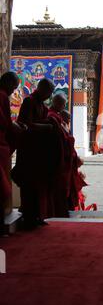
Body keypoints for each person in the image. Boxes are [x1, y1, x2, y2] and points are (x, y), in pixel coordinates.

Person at [12, 78, 58, 229]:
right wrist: (46, 127)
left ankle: (37, 215)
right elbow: (26, 124)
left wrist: (51, 123)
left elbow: (42, 120)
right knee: (28, 185)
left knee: (38, 185)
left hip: (38, 152)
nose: (49, 96)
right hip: (28, 150)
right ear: (42, 89)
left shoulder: (41, 105)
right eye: (49, 92)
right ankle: (28, 217)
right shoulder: (29, 102)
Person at [0, 72, 22, 237]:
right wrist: (20, 129)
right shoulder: (1, 97)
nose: (12, 91)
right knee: (3, 187)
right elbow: (6, 123)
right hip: (1, 148)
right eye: (13, 87)